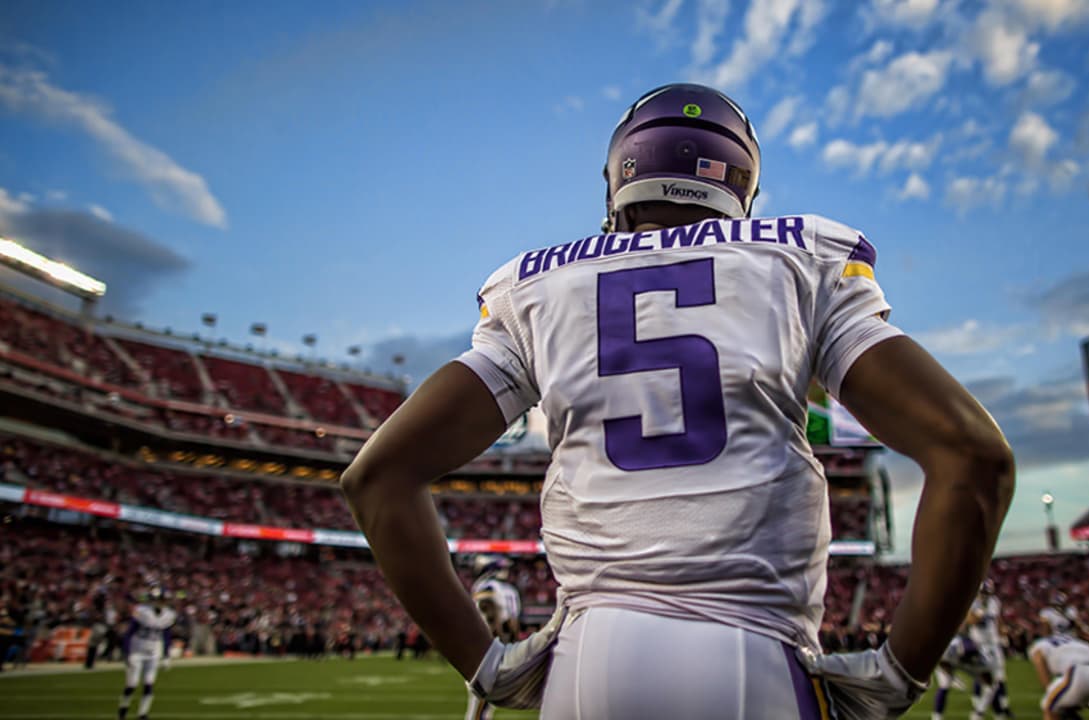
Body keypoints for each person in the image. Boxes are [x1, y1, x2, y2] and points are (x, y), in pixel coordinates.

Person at [341, 82, 1015, 719]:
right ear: (742, 183)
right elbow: (973, 456)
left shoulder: (534, 287)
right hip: (754, 660)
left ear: (618, 181)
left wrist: (484, 663)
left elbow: (378, 477)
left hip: (586, 667)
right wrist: (902, 671)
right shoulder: (800, 258)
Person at [464, 556, 523, 720]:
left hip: (486, 644)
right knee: (487, 702)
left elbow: (487, 607)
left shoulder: (487, 585)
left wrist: (493, 636)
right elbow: (513, 623)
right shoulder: (510, 590)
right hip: (505, 645)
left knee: (478, 699)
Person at [1029, 632, 1089, 720]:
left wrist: (1050, 692)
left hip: (1081, 672)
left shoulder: (1038, 646)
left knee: (1049, 707)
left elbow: (1040, 663)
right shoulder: (1077, 642)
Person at [117, 586, 176, 720]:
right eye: (158, 599)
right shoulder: (142, 612)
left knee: (149, 683)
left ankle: (143, 714)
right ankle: (123, 709)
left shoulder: (168, 615)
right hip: (137, 651)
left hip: (154, 651)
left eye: (162, 600)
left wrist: (166, 655)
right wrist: (126, 652)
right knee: (132, 684)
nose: (160, 602)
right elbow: (129, 633)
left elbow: (166, 636)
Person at [968, 579, 1013, 719]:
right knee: (986, 677)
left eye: (988, 592)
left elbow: (997, 620)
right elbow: (970, 621)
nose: (985, 595)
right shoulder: (973, 603)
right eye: (983, 592)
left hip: (993, 643)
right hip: (979, 644)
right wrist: (980, 612)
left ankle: (1002, 707)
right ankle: (979, 708)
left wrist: (1002, 632)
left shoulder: (994, 602)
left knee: (999, 677)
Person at [932, 633, 1000, 720]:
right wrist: (952, 678)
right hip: (952, 661)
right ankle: (937, 717)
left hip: (972, 665)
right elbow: (941, 662)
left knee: (992, 686)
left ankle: (979, 713)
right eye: (966, 657)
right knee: (945, 685)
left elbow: (989, 681)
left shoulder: (983, 661)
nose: (968, 659)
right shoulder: (948, 649)